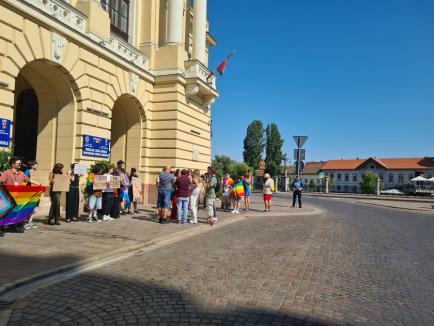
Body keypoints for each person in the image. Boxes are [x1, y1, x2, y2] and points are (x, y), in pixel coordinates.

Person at [0, 157, 30, 233]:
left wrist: (39, 184)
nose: (20, 164)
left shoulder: (21, 173)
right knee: (5, 211)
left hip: (18, 197)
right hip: (8, 197)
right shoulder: (6, 173)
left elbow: (29, 180)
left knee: (17, 211)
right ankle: (2, 227)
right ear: (13, 164)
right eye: (18, 163)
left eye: (20, 163)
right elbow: (1, 181)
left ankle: (16, 225)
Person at [24, 160, 42, 230]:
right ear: (32, 165)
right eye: (35, 165)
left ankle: (30, 221)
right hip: (29, 191)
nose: (36, 166)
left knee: (33, 206)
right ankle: (26, 221)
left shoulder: (37, 172)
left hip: (36, 191)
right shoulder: (28, 171)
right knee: (28, 206)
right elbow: (25, 179)